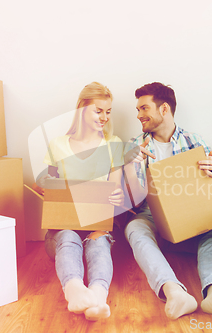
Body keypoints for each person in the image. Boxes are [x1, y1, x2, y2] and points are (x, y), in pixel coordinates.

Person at [123, 82, 212, 320]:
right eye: (138, 109)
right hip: (152, 217)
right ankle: (174, 291)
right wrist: (130, 169)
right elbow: (131, 203)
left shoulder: (193, 141)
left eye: (144, 108)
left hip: (189, 217)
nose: (138, 115)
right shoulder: (136, 146)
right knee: (134, 228)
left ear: (164, 109)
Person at [38, 82, 124, 321]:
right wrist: (45, 187)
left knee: (98, 244)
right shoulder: (58, 144)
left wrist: (117, 196)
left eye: (108, 111)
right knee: (68, 236)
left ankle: (97, 297)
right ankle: (74, 291)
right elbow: (49, 182)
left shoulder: (113, 144)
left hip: (97, 226)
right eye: (99, 110)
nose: (104, 117)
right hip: (61, 230)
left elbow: (116, 189)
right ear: (82, 109)